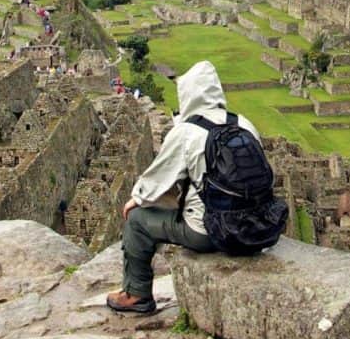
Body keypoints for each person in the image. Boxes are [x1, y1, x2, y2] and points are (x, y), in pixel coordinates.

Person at [107, 61, 260, 314]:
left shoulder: (187, 132)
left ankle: (136, 294)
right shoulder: (244, 124)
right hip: (256, 228)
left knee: (136, 220)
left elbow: (157, 179)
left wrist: (137, 198)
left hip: (210, 232)